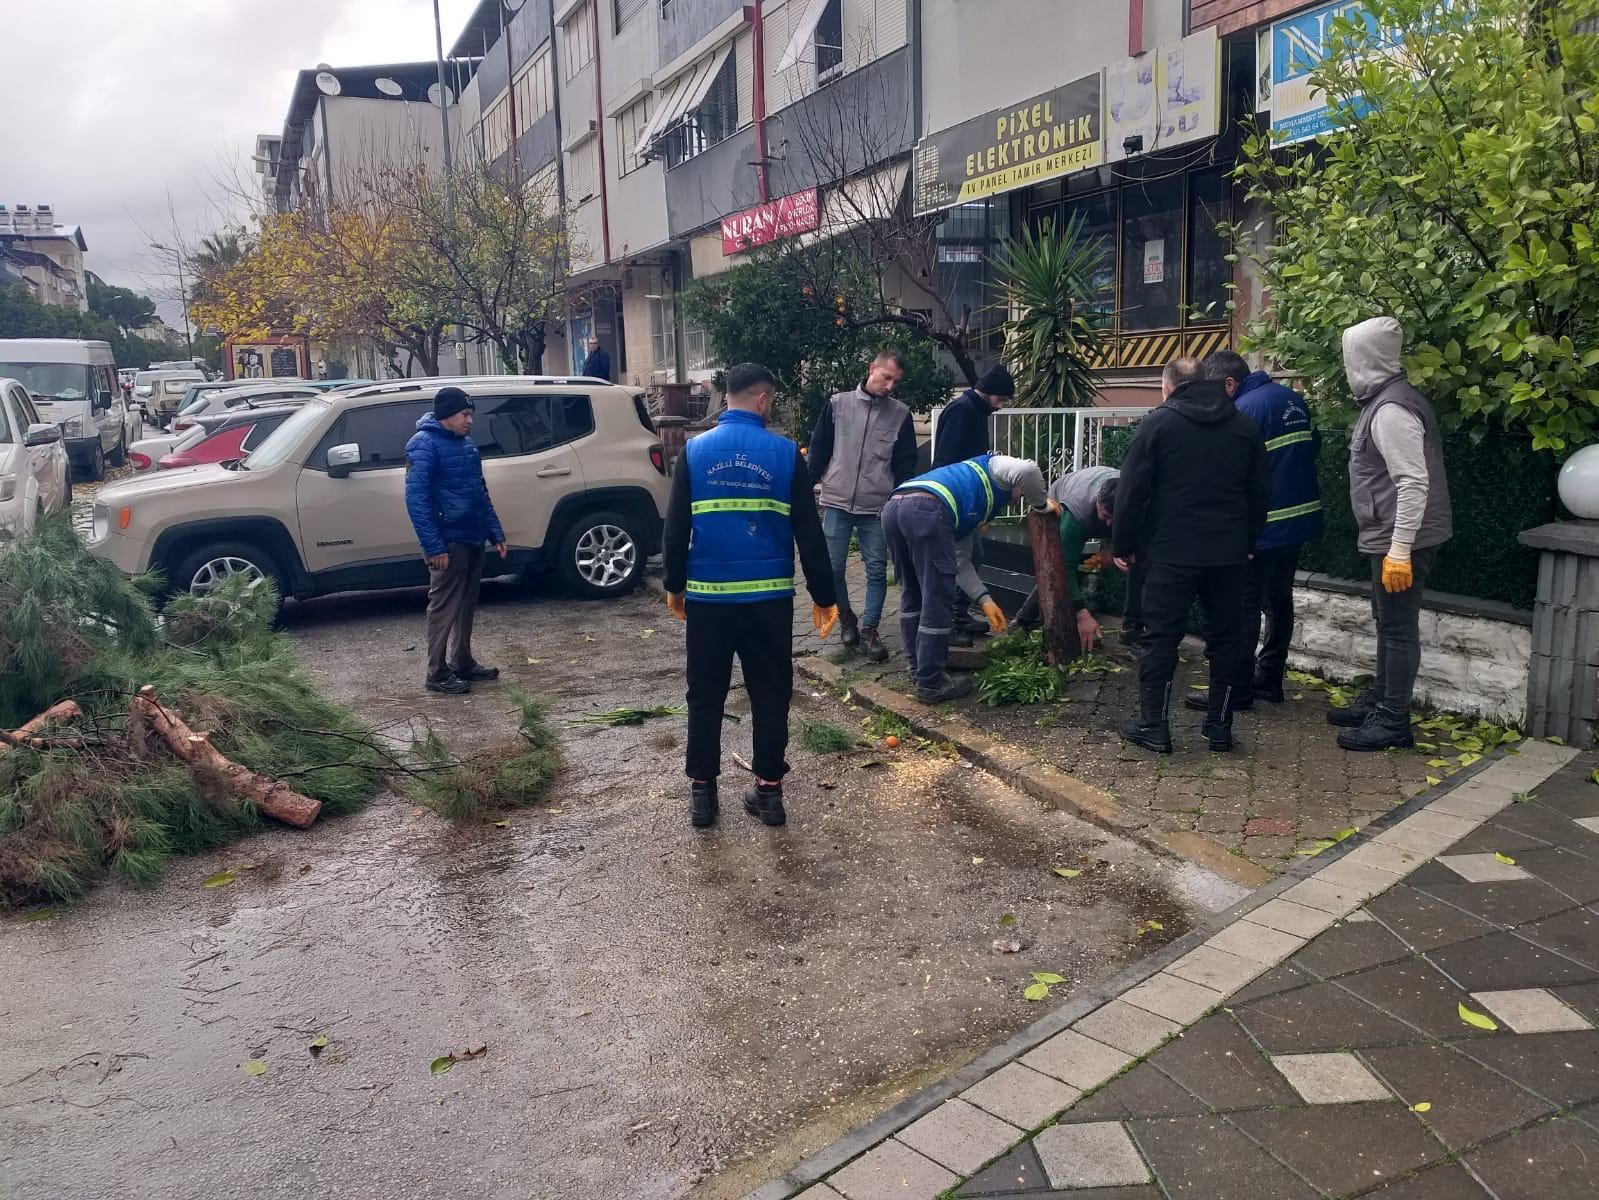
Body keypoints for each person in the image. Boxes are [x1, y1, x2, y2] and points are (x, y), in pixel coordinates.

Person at [663, 362, 839, 830]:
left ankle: (702, 796)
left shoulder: (694, 452)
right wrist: (824, 596)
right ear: (763, 400)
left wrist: (674, 586)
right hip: (768, 602)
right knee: (770, 695)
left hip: (709, 600)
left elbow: (676, 527)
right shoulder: (785, 454)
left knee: (705, 696)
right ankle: (769, 795)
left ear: (727, 397)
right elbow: (809, 531)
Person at [1111, 357, 1270, 754]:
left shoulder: (1157, 425)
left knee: (1161, 637)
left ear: (1168, 387)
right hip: (1229, 553)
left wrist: (1124, 545)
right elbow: (1260, 493)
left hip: (1171, 552)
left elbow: (1131, 492)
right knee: (1227, 640)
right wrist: (1249, 542)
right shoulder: (1244, 428)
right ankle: (1219, 728)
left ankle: (1154, 725)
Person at [1331, 317, 1453, 751]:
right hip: (1393, 536)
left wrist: (1400, 548)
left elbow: (1413, 481)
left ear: (1365, 357)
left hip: (1402, 540)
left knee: (1398, 628)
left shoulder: (1391, 410)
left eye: (1350, 354)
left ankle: (1393, 721)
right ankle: (1382, 700)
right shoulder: (1387, 401)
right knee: (1388, 623)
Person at [1186, 350, 1322, 714]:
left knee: (1243, 606)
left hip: (1262, 527)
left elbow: (1226, 473)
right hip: (1298, 523)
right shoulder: (1294, 400)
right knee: (1279, 600)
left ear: (1230, 384)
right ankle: (1270, 680)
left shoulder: (1244, 411)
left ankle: (1237, 689)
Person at [882, 454, 1053, 703]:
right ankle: (931, 683)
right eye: (1022, 495)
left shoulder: (965, 491)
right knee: (938, 598)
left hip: (895, 507)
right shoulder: (996, 467)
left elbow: (960, 563)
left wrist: (985, 600)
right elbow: (1028, 470)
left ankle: (917, 669)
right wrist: (1042, 505)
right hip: (927, 510)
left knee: (913, 593)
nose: (1018, 500)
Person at [807, 350, 919, 662]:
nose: (890, 386)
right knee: (833, 567)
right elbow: (818, 449)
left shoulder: (900, 415)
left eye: (895, 382)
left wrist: (901, 500)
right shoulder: (837, 405)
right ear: (872, 368)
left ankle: (869, 629)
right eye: (887, 377)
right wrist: (804, 486)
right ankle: (846, 618)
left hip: (876, 507)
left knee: (876, 570)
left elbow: (905, 466)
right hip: (837, 501)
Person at [404, 386, 508, 695]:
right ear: (447, 414)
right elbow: (416, 500)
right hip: (448, 541)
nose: (469, 421)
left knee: (466, 603)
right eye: (464, 414)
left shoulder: (467, 445)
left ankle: (462, 660)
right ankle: (436, 672)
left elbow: (480, 491)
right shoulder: (423, 445)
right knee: (444, 606)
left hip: (473, 535)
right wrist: (434, 547)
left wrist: (495, 531)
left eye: (470, 415)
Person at [934, 364, 1016, 638]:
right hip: (956, 499)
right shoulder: (963, 412)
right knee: (962, 559)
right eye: (1001, 399)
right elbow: (947, 459)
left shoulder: (976, 411)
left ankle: (957, 614)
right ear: (989, 391)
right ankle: (952, 618)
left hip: (967, 499)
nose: (1001, 406)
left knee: (973, 556)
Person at [1015, 466, 1118, 652]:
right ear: (1098, 502)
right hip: (1063, 495)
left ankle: (1133, 627)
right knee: (1055, 565)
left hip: (1103, 491)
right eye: (1106, 516)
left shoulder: (1136, 498)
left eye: (1116, 519)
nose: (1110, 523)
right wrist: (1082, 614)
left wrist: (1116, 552)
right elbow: (1063, 567)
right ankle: (1022, 621)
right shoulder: (1077, 512)